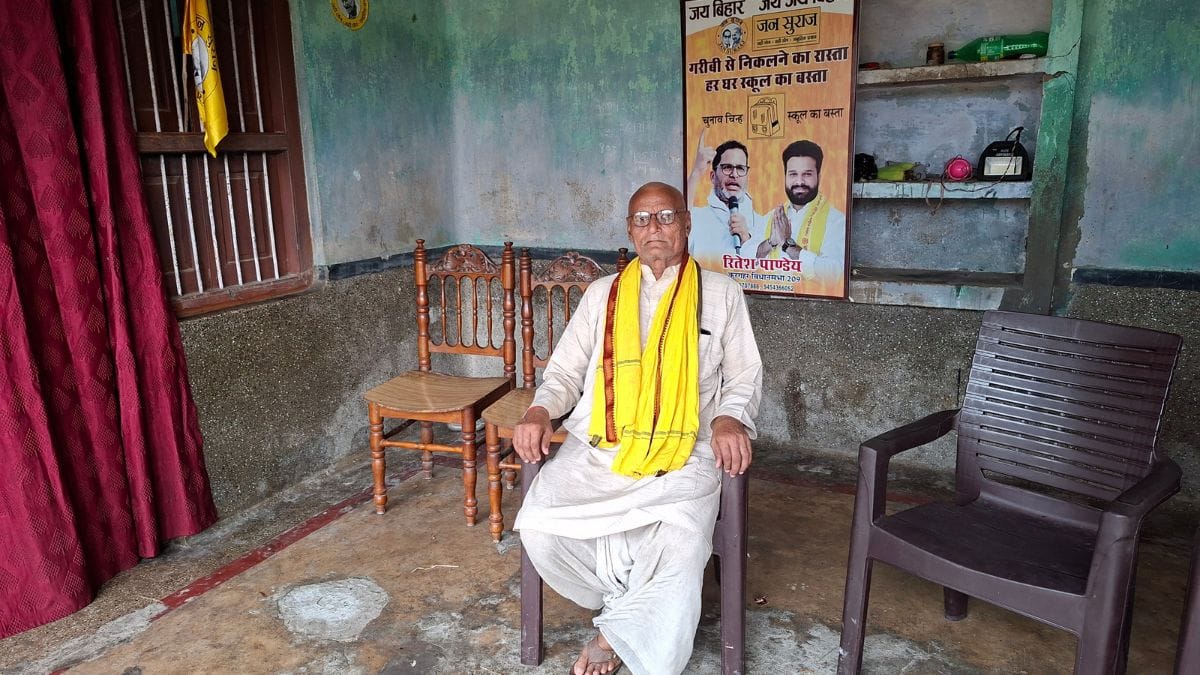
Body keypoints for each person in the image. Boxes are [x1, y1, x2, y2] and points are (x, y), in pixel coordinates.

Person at [513, 182, 763, 675]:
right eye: (643, 219)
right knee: (539, 525)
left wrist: (730, 418)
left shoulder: (721, 294)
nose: (655, 229)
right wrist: (540, 412)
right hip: (601, 448)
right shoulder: (601, 294)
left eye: (666, 217)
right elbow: (563, 374)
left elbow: (743, 376)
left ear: (686, 225)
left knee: (684, 542)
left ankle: (612, 636)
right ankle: (631, 605)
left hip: (685, 451)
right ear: (629, 229)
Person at [756, 140, 847, 296]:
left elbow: (833, 275)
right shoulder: (772, 217)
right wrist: (771, 242)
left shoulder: (836, 221)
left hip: (812, 308)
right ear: (785, 176)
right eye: (793, 174)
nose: (799, 181)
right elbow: (745, 256)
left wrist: (788, 245)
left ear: (819, 175)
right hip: (770, 304)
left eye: (807, 174)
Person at [687, 130, 768, 271]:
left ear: (747, 176)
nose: (734, 174)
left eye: (740, 168)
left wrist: (746, 237)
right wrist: (696, 172)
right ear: (712, 176)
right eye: (727, 167)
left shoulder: (763, 223)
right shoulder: (698, 217)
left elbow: (771, 272)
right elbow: (679, 226)